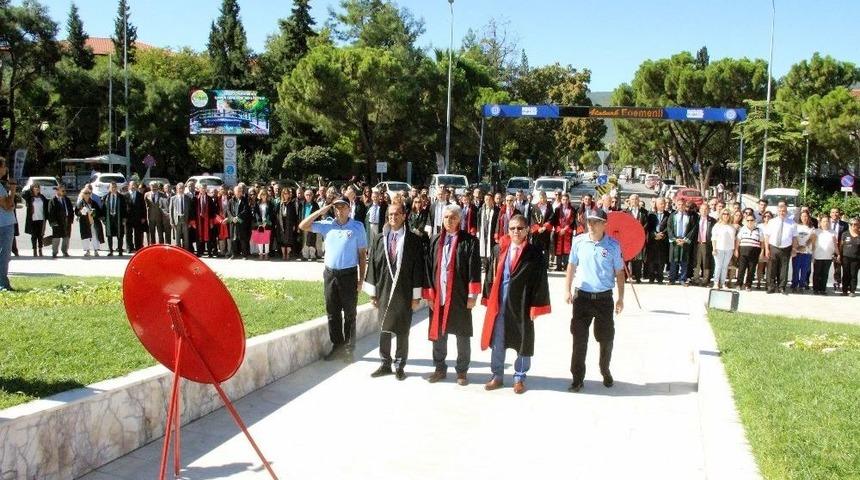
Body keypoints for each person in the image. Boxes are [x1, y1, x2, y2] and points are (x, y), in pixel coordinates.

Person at [480, 214, 551, 394]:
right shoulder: (499, 249)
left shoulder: (535, 253)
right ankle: (497, 375)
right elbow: (490, 275)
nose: (516, 232)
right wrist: (487, 298)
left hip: (523, 303)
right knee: (498, 339)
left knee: (523, 339)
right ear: (508, 231)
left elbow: (540, 281)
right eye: (512, 228)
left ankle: (519, 377)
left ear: (527, 230)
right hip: (500, 303)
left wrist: (537, 306)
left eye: (520, 228)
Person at [300, 196, 368, 361]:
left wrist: (360, 280)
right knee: (333, 312)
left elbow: (362, 255)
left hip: (349, 275)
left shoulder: (357, 227)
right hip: (330, 274)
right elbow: (303, 226)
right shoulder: (327, 225)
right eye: (336, 207)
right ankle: (337, 346)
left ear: (349, 208)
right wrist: (322, 210)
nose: (339, 210)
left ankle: (349, 349)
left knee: (350, 313)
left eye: (343, 207)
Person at [563, 209, 624, 393]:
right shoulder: (579, 241)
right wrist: (567, 289)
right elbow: (571, 265)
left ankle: (605, 369)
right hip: (582, 297)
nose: (591, 224)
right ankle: (577, 378)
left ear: (604, 224)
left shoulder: (613, 245)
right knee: (579, 339)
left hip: (604, 298)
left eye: (596, 221)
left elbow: (619, 273)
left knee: (606, 338)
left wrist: (621, 298)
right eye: (589, 221)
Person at [364, 203, 425, 380]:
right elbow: (373, 267)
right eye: (390, 214)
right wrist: (373, 293)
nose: (393, 217)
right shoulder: (379, 238)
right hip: (383, 289)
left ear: (404, 216)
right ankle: (384, 363)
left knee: (402, 329)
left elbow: (417, 268)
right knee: (384, 327)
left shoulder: (413, 240)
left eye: (397, 214)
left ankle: (399, 364)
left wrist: (416, 297)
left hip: (404, 290)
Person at [423, 204, 481, 386]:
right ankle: (440, 367)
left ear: (460, 220)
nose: (449, 220)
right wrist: (429, 294)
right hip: (438, 296)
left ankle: (462, 371)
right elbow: (427, 268)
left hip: (460, 296)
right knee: (438, 334)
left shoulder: (470, 241)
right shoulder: (434, 240)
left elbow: (474, 269)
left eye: (453, 217)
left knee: (462, 334)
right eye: (446, 217)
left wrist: (473, 296)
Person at [763, 201, 798, 295]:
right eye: (780, 211)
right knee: (771, 268)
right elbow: (767, 236)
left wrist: (794, 249)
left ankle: (781, 287)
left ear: (786, 212)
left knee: (784, 268)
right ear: (777, 212)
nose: (782, 212)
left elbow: (794, 237)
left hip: (786, 248)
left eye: (784, 211)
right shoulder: (771, 222)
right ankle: (770, 286)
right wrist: (766, 249)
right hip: (773, 247)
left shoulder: (792, 223)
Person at [667, 200, 695, 285]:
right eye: (679, 204)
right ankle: (672, 279)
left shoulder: (690, 216)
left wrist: (685, 239)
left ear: (685, 205)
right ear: (676, 205)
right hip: (675, 241)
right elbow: (669, 227)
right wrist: (674, 239)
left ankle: (682, 279)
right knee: (673, 260)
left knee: (684, 261)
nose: (681, 206)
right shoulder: (673, 215)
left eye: (682, 204)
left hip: (685, 241)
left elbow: (692, 229)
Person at [0, 158, 16, 291]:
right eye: (4, 166)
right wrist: (13, 189)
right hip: (4, 224)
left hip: (4, 223)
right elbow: (8, 205)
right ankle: (3, 284)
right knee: (4, 254)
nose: (6, 169)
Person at [645, 197, 670, 283]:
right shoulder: (651, 214)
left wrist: (662, 235)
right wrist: (654, 234)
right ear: (656, 204)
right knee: (651, 260)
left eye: (663, 203)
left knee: (661, 261)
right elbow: (648, 227)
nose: (662, 205)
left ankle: (660, 277)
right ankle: (651, 277)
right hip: (652, 241)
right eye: (660, 204)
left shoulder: (668, 215)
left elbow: (668, 227)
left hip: (663, 241)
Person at [735, 215, 762, 291]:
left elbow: (762, 242)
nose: (750, 222)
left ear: (754, 221)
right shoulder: (742, 229)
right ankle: (739, 284)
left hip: (754, 252)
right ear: (745, 221)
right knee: (741, 269)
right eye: (748, 220)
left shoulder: (759, 230)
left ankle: (748, 285)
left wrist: (762, 252)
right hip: (743, 251)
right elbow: (737, 240)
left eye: (751, 220)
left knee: (751, 270)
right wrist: (736, 250)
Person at [624, 194, 648, 282]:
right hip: (628, 239)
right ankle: (625, 276)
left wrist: (640, 231)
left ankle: (637, 277)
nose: (634, 201)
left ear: (639, 201)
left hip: (639, 238)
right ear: (629, 201)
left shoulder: (644, 212)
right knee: (627, 257)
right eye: (633, 199)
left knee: (638, 258)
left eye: (636, 199)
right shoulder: (625, 212)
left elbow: (646, 224)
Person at [710, 209, 736, 290]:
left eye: (727, 214)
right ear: (721, 215)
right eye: (724, 214)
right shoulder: (717, 226)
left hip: (729, 249)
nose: (726, 215)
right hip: (719, 248)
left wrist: (734, 249)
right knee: (718, 266)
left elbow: (734, 238)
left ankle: (723, 282)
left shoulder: (732, 226)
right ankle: (716, 283)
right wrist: (714, 249)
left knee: (725, 267)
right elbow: (713, 238)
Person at [811, 216, 836, 295]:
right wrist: (813, 255)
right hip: (818, 256)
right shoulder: (816, 231)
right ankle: (816, 289)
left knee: (825, 274)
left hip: (828, 256)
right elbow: (813, 244)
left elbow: (835, 245)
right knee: (817, 273)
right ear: (820, 222)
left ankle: (823, 289)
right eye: (824, 221)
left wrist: (836, 254)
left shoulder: (833, 232)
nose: (825, 223)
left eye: (827, 221)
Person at [790, 210, 815, 292]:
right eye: (802, 216)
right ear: (800, 217)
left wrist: (804, 246)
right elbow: (794, 237)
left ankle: (801, 286)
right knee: (796, 270)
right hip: (797, 252)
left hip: (807, 252)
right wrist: (797, 247)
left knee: (804, 271)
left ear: (808, 217)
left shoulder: (812, 228)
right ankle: (794, 285)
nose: (804, 218)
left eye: (806, 216)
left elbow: (812, 239)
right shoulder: (796, 226)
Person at [691, 203, 715, 286]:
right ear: (699, 210)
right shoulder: (695, 219)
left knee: (706, 262)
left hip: (707, 244)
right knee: (696, 261)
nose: (704, 211)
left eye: (706, 209)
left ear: (708, 210)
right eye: (702, 209)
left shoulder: (712, 221)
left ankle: (705, 280)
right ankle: (695, 278)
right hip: (697, 243)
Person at [47, 185, 74, 258]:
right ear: (57, 191)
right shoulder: (53, 200)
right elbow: (50, 212)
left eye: (64, 190)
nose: (64, 192)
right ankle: (54, 252)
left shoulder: (67, 199)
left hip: (67, 220)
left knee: (66, 237)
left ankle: (65, 251)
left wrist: (71, 219)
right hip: (57, 222)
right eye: (62, 191)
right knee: (56, 237)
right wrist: (53, 222)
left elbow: (71, 210)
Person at [530, 191, 554, 269]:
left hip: (545, 231)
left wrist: (545, 227)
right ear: (539, 198)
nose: (543, 199)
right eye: (541, 197)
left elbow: (551, 218)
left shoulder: (549, 207)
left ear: (546, 197)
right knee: (536, 247)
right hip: (537, 232)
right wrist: (538, 228)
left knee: (546, 248)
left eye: (544, 197)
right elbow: (532, 219)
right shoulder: (535, 207)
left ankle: (545, 265)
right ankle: (536, 264)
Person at [76, 190, 104, 257]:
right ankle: (87, 250)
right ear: (82, 194)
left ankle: (96, 250)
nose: (87, 194)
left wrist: (94, 213)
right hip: (84, 222)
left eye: (89, 193)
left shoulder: (93, 202)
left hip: (93, 222)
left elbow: (99, 211)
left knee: (94, 236)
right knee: (86, 236)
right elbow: (77, 213)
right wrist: (81, 212)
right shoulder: (80, 203)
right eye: (85, 193)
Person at [23, 183, 48, 256]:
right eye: (35, 187)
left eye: (38, 187)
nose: (37, 189)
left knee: (40, 235)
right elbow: (23, 194)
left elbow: (46, 206)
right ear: (32, 189)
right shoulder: (29, 197)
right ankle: (34, 250)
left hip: (41, 219)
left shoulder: (42, 197)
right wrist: (30, 189)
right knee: (34, 236)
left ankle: (40, 250)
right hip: (33, 219)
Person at [228, 185, 253, 259]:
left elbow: (245, 210)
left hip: (242, 222)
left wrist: (238, 217)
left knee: (243, 239)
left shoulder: (245, 200)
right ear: (234, 192)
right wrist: (232, 218)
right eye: (237, 191)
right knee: (233, 239)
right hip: (233, 222)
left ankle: (244, 255)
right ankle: (233, 254)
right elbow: (228, 210)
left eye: (240, 191)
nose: (239, 192)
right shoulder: (231, 200)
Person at [553, 193, 576, 271]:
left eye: (566, 199)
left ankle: (566, 266)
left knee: (567, 249)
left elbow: (572, 222)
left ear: (568, 200)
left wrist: (565, 229)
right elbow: (555, 220)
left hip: (567, 232)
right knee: (558, 249)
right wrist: (559, 229)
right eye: (563, 199)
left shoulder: (572, 210)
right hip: (559, 231)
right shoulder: (557, 209)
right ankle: (558, 266)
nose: (565, 201)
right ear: (561, 200)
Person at [838, 217, 860, 296]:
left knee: (853, 275)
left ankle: (852, 291)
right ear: (849, 225)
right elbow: (841, 246)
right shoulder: (845, 234)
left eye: (856, 224)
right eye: (852, 224)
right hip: (845, 257)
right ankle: (844, 291)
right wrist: (839, 255)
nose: (854, 226)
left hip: (856, 259)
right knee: (846, 274)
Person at [103, 182, 126, 256]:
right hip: (109, 218)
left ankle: (120, 250)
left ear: (117, 188)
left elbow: (124, 208)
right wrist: (103, 219)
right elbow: (103, 208)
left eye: (115, 187)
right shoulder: (106, 197)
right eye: (112, 187)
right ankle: (110, 251)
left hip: (118, 218)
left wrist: (124, 218)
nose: (113, 188)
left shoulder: (121, 197)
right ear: (109, 188)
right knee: (109, 235)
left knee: (120, 235)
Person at [275, 187, 299, 261]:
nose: (286, 195)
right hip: (281, 223)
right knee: (282, 238)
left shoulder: (291, 204)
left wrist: (295, 225)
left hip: (289, 223)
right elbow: (275, 214)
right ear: (282, 194)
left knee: (289, 239)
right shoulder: (279, 203)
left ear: (289, 194)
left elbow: (295, 215)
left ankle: (288, 254)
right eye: (284, 193)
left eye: (287, 193)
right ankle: (283, 254)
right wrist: (276, 223)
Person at [477, 193, 499, 272]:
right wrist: (478, 231)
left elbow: (497, 223)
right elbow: (478, 221)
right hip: (483, 231)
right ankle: (484, 265)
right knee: (483, 247)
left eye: (489, 200)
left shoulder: (496, 210)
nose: (488, 201)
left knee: (491, 247)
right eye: (486, 199)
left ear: (492, 200)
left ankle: (490, 265)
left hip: (491, 232)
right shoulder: (481, 209)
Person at [829, 208, 849, 291]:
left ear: (839, 214)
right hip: (827, 248)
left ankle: (837, 282)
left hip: (839, 247)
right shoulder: (825, 222)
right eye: (833, 212)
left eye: (836, 212)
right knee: (823, 265)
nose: (835, 214)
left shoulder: (844, 224)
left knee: (838, 266)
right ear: (830, 214)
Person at [169, 182, 193, 252]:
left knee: (186, 237)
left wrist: (190, 222)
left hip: (185, 219)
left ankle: (186, 251)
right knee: (177, 237)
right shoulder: (173, 198)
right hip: (177, 219)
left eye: (182, 188)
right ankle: (178, 252)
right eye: (179, 188)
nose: (181, 190)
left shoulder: (187, 198)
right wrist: (172, 222)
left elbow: (190, 211)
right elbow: (171, 211)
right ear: (177, 189)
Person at [252, 189, 274, 260]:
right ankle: (261, 253)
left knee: (267, 239)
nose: (263, 196)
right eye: (262, 194)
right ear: (260, 195)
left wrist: (266, 221)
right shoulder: (257, 203)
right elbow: (256, 213)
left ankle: (266, 253)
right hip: (260, 224)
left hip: (267, 223)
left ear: (266, 195)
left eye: (265, 194)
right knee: (260, 239)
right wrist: (259, 222)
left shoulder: (269, 203)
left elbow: (271, 213)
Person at [125, 181, 147, 252]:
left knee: (138, 234)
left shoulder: (140, 195)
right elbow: (123, 207)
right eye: (132, 185)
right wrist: (123, 218)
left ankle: (138, 248)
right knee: (128, 234)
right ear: (129, 186)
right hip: (128, 218)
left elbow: (143, 207)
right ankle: (129, 248)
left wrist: (144, 217)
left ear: (136, 186)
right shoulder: (125, 195)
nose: (133, 187)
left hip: (138, 218)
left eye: (134, 185)